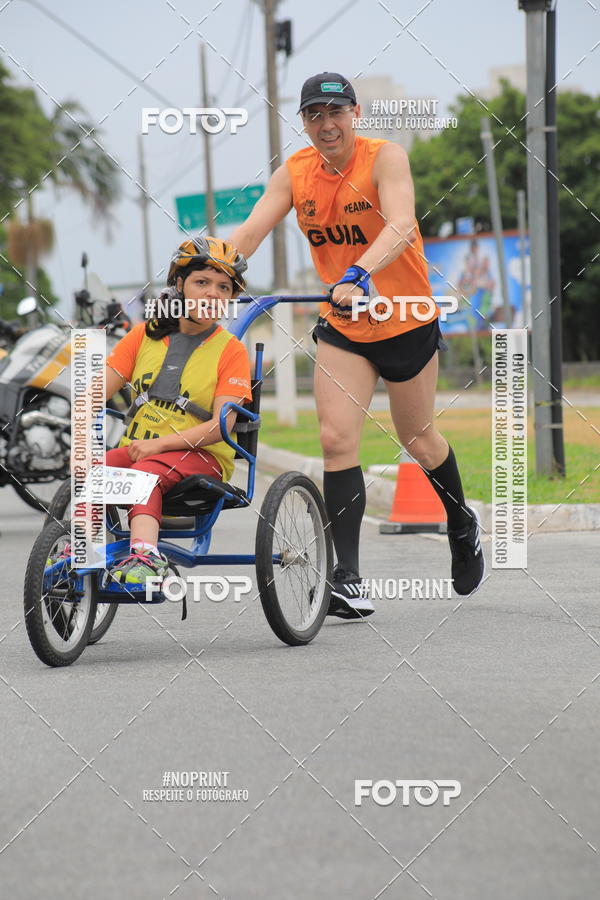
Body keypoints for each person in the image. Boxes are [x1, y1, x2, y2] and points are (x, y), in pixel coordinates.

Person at [229, 72, 485, 619]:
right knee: (334, 438)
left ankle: (462, 523)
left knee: (418, 438)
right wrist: (208, 269)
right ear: (303, 123)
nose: (326, 124)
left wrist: (360, 273)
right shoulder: (294, 174)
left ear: (355, 113)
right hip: (344, 325)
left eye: (335, 112)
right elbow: (249, 233)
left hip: (403, 317)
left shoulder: (384, 157)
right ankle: (346, 577)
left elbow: (400, 224)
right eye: (314, 115)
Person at [98, 237, 252, 585]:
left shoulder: (231, 351)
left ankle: (144, 556)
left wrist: (160, 445)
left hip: (203, 455)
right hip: (140, 451)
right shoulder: (141, 336)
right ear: (179, 284)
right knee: (91, 472)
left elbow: (220, 427)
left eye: (223, 287)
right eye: (202, 282)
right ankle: (77, 549)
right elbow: (96, 392)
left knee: (143, 472)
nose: (213, 293)